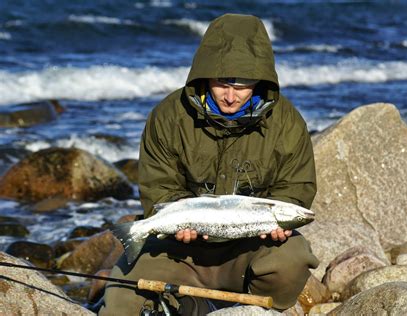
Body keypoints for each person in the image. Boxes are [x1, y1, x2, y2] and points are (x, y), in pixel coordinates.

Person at [99, 13, 318, 316]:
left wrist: (283, 221)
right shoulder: (168, 116)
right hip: (179, 250)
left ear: (261, 79)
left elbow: (295, 189)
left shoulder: (287, 122)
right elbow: (159, 189)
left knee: (293, 260)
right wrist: (175, 223)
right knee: (120, 304)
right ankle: (197, 305)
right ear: (205, 74)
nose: (231, 96)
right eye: (222, 83)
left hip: (248, 246)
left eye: (243, 85)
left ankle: (242, 309)